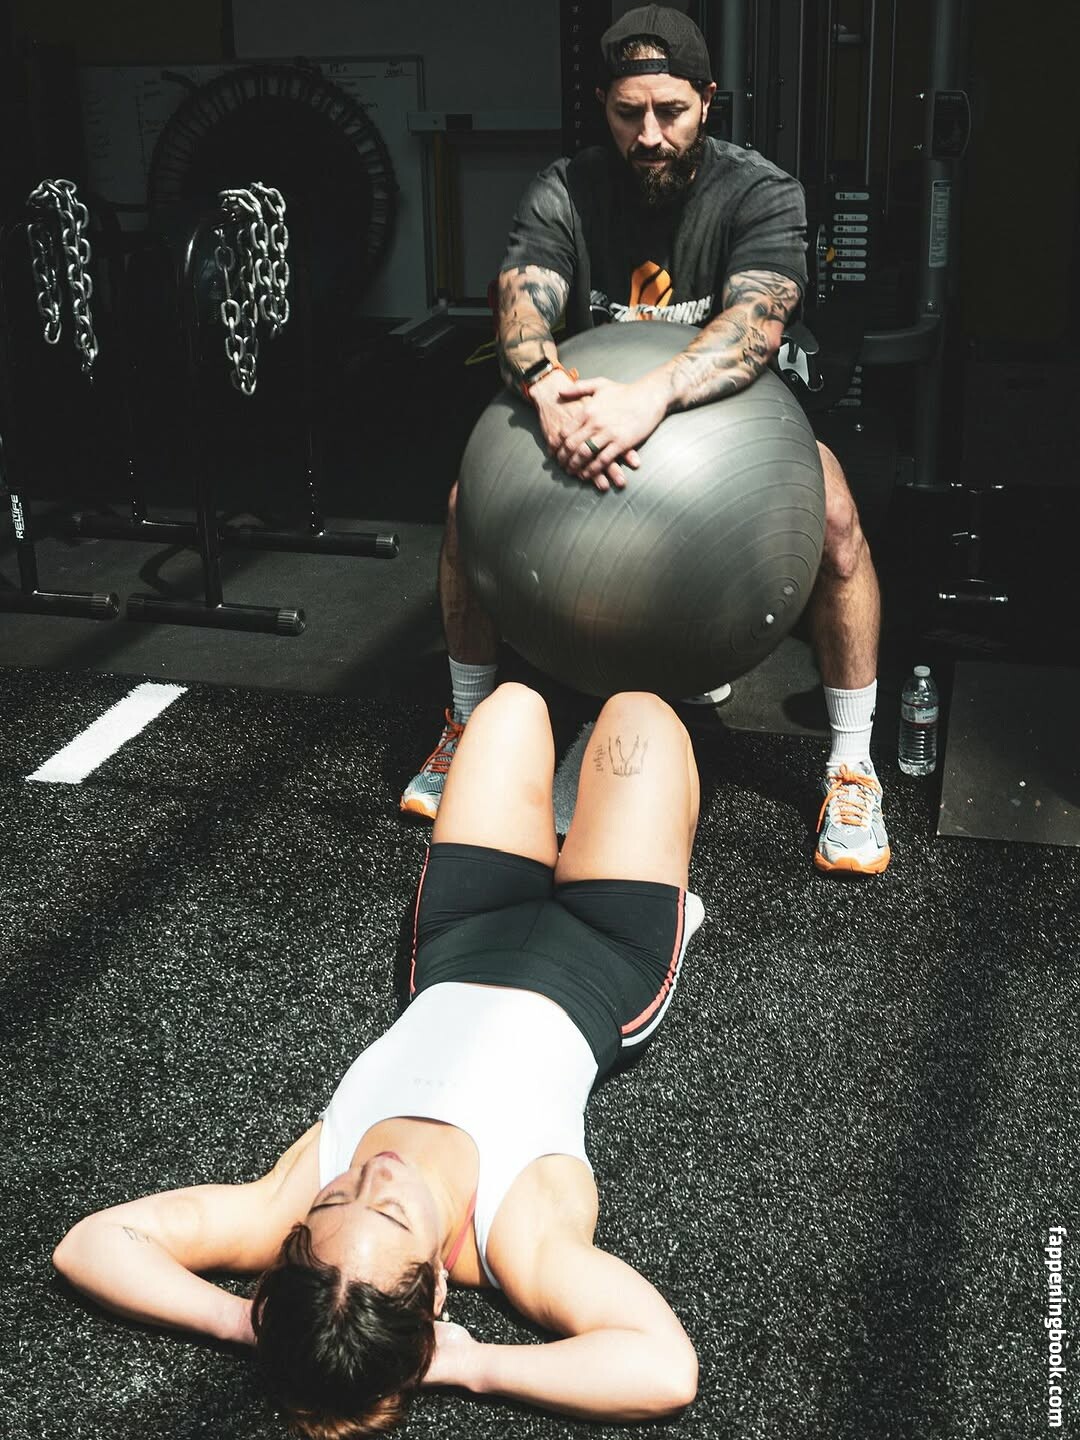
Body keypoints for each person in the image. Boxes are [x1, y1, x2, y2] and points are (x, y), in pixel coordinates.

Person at [53, 683, 704, 1437]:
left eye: (337, 1202)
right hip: (607, 957)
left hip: (462, 935)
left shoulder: (283, 1208)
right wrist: (466, 1364)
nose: (375, 1176)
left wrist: (252, 1324)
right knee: (640, 713)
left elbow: (90, 1245)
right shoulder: (519, 1241)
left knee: (512, 706)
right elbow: (663, 1369)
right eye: (391, 1213)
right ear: (435, 1294)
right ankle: (664, 889)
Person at [401, 4, 889, 877]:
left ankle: (852, 766)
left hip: (727, 429)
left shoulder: (760, 191)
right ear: (604, 105)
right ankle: (467, 728)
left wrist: (653, 395)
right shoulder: (566, 188)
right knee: (467, 504)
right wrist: (546, 389)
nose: (651, 135)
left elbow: (756, 324)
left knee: (839, 524)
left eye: (671, 111)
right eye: (629, 113)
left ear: (708, 99)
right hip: (594, 411)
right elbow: (521, 303)